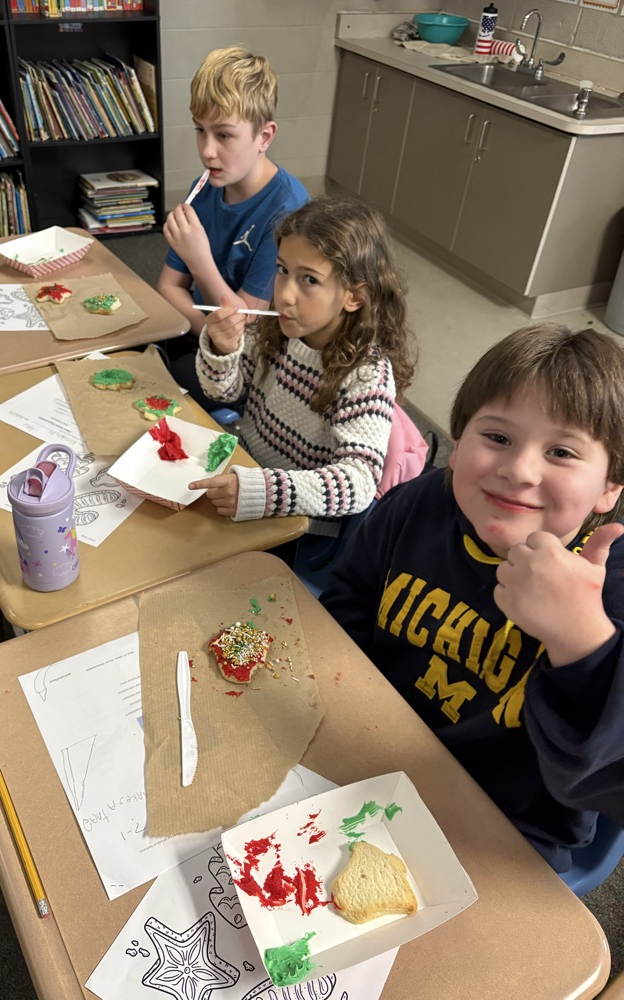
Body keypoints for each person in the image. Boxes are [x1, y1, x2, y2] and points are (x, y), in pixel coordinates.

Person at [320, 322, 624, 872]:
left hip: (502, 832)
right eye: (498, 438)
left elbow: (609, 786)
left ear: (610, 488)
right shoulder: (417, 507)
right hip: (368, 752)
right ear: (458, 447)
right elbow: (347, 606)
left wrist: (583, 643)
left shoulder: (612, 587)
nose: (518, 470)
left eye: (561, 451)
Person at [187, 196, 417, 531]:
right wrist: (223, 350)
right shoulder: (277, 330)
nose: (285, 295)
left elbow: (359, 483)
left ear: (354, 296)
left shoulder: (367, 375)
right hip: (245, 479)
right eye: (282, 270)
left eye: (309, 280)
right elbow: (225, 393)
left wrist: (265, 492)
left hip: (296, 522)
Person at [156, 45, 308, 408]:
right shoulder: (207, 186)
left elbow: (244, 324)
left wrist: (199, 261)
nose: (207, 151)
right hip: (198, 328)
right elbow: (167, 287)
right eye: (200, 131)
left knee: (163, 388)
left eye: (223, 135)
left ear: (264, 137)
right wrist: (205, 328)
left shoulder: (287, 210)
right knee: (128, 354)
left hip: (244, 358)